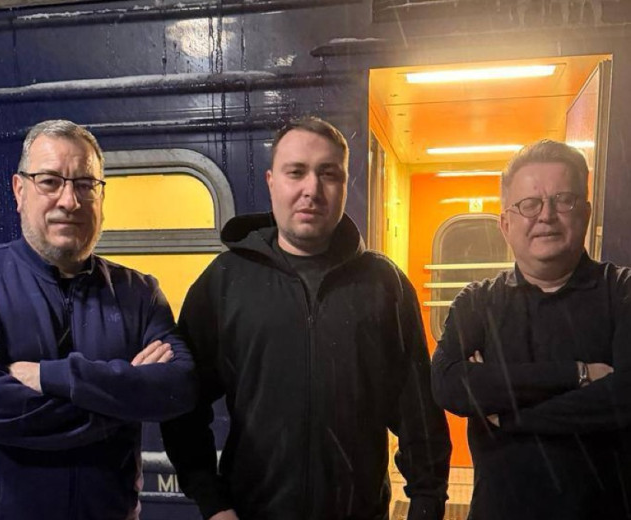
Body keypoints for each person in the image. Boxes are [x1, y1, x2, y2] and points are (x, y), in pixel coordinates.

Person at [161, 116, 451, 520]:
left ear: (344, 185)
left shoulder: (384, 285)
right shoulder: (225, 282)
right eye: (295, 172)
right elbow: (182, 404)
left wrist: (426, 504)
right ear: (272, 182)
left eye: (328, 174)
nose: (311, 189)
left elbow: (419, 413)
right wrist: (213, 502)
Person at [0, 119, 197, 519]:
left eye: (85, 184)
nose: (69, 200)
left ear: (101, 196)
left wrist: (52, 377)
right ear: (20, 190)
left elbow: (179, 387)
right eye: (50, 181)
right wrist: (123, 402)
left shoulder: (139, 292)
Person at [431, 139, 631, 519]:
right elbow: (448, 384)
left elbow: (624, 396)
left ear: (586, 213)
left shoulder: (622, 292)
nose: (546, 215)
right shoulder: (477, 301)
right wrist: (576, 375)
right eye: (529, 204)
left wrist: (510, 415)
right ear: (505, 224)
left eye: (564, 200)